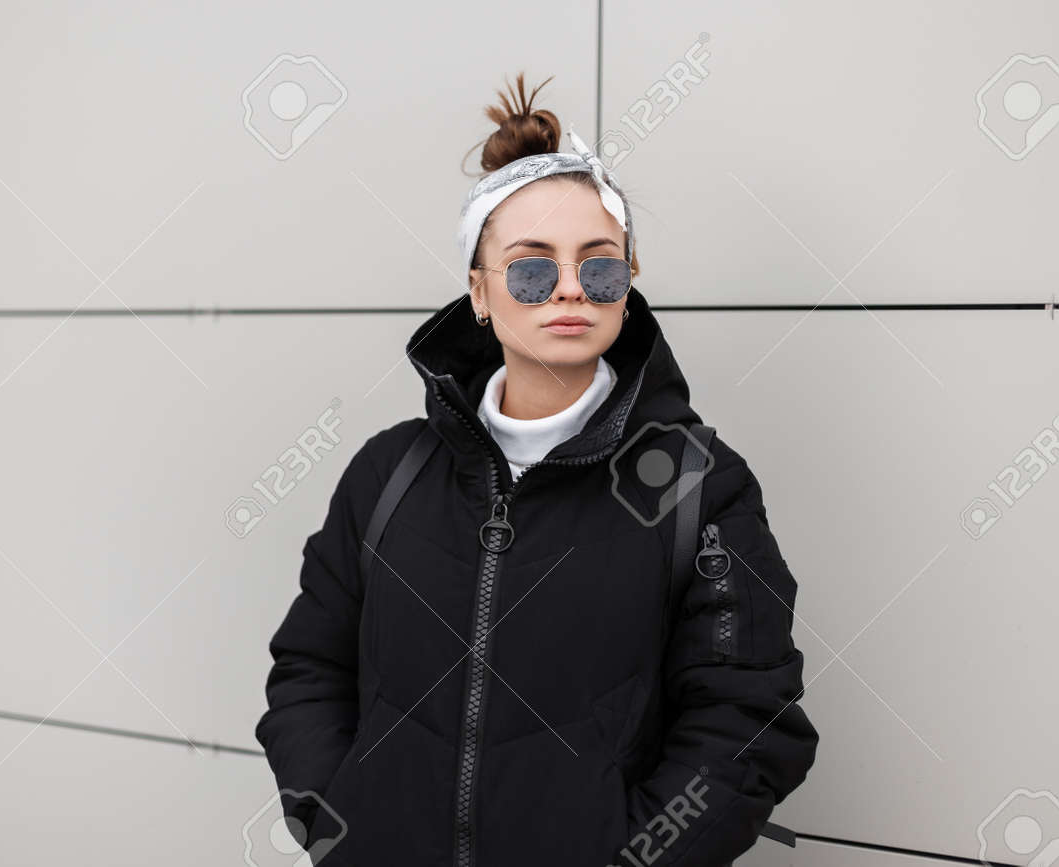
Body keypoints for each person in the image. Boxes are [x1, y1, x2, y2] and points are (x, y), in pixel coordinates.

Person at [255, 72, 818, 867]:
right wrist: (339, 831)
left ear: (627, 285)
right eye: (529, 269)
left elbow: (750, 719)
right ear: (480, 293)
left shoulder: (696, 483)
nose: (568, 290)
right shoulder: (388, 474)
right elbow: (310, 668)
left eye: (600, 267)